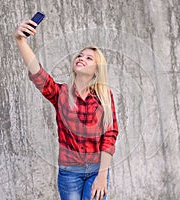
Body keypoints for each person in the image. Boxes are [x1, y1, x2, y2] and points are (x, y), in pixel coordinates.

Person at [14, 18, 119, 200]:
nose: (81, 58)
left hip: (97, 170)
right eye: (80, 55)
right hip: (69, 172)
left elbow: (110, 136)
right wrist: (20, 40)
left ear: (96, 69)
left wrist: (102, 175)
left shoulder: (103, 96)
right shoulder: (61, 93)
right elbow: (38, 73)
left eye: (89, 58)